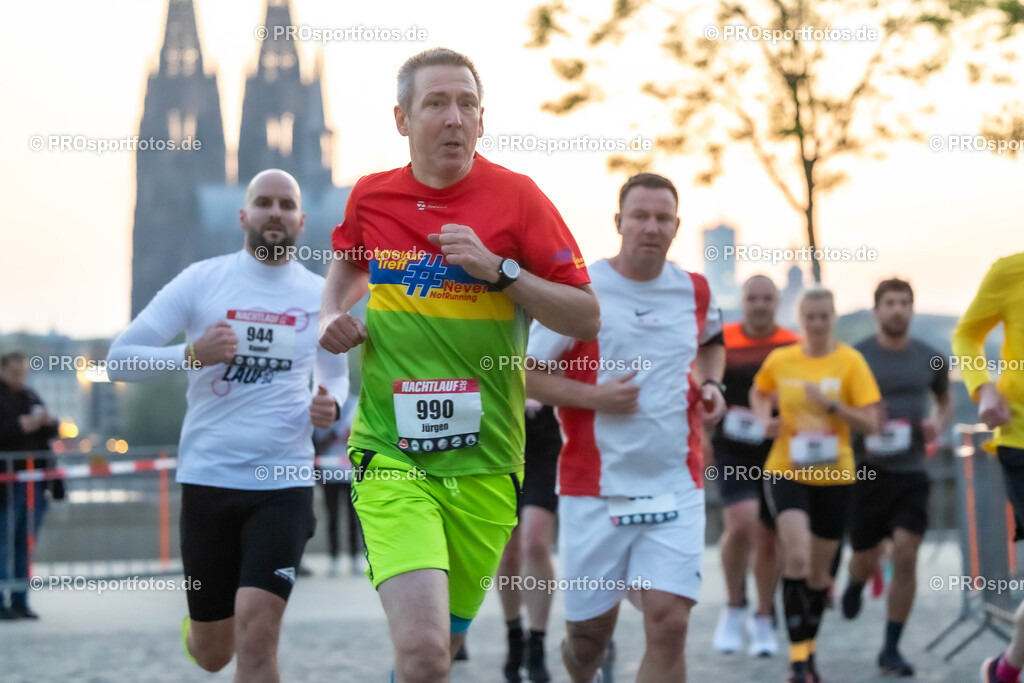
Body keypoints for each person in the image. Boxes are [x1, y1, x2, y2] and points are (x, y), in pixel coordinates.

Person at [318, 47, 598, 683]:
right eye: (436, 103)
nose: (453, 118)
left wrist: (500, 271)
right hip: (391, 456)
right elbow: (348, 259)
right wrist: (329, 313)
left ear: (481, 120)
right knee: (420, 652)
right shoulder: (372, 196)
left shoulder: (520, 200)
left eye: (466, 104)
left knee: (434, 657)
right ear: (402, 119)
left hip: (487, 464)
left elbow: (584, 316)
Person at [106, 169, 348, 683]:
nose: (276, 212)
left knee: (257, 635)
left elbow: (335, 376)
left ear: (303, 221)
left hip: (283, 483)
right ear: (244, 216)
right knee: (215, 652)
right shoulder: (202, 280)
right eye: (264, 202)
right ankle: (199, 631)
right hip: (209, 478)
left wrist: (330, 402)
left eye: (287, 204)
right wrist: (191, 355)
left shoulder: (319, 294)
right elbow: (120, 360)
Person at [526, 172, 726, 683]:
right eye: (640, 216)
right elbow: (524, 375)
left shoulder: (695, 291)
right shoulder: (580, 294)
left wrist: (712, 385)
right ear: (619, 222)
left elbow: (711, 341)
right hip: (594, 490)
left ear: (677, 227)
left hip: (674, 484)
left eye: (663, 218)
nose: (651, 227)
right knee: (588, 642)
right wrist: (594, 399)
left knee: (670, 624)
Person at [750, 286, 881, 683]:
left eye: (825, 317)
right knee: (799, 558)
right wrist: (762, 420)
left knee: (820, 577)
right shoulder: (782, 358)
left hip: (834, 474)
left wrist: (833, 407)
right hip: (786, 470)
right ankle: (796, 660)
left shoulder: (850, 362)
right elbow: (759, 391)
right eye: (811, 317)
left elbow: (872, 422)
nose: (818, 324)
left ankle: (808, 653)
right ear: (801, 319)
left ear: (833, 319)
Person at [840, 278, 952, 677]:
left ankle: (891, 648)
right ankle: (855, 582)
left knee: (906, 553)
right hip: (867, 469)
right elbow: (840, 405)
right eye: (890, 303)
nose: (897, 310)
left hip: (912, 471)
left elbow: (945, 398)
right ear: (877, 310)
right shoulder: (857, 356)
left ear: (912, 308)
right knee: (865, 555)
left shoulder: (930, 357)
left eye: (904, 302)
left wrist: (937, 424)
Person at [711, 275, 799, 657]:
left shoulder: (791, 344)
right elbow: (701, 386)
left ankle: (763, 616)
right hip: (730, 449)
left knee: (768, 537)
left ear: (777, 302)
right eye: (753, 298)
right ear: (742, 301)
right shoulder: (722, 342)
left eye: (767, 298)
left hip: (776, 451)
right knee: (741, 524)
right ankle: (734, 605)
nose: (760, 305)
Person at [953, 253, 1024, 683]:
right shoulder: (1010, 272)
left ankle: (1007, 666)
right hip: (1020, 438)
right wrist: (982, 388)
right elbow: (965, 336)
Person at [497, 398, 562, 683]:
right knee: (506, 552)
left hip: (546, 448)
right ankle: (514, 634)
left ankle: (537, 641)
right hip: (501, 447)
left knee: (534, 542)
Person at [0, 351, 62, 620]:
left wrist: (48, 422)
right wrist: (19, 426)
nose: (19, 378)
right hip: (5, 487)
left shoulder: (30, 396)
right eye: (15, 373)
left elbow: (53, 430)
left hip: (33, 483)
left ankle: (20, 600)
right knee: (3, 544)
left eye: (22, 373)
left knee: (25, 544)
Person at [313, 395, 361, 577]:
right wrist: (332, 435)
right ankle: (333, 558)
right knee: (332, 515)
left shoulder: (356, 404)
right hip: (330, 469)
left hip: (351, 470)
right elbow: (317, 437)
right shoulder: (326, 405)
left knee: (353, 516)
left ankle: (355, 557)